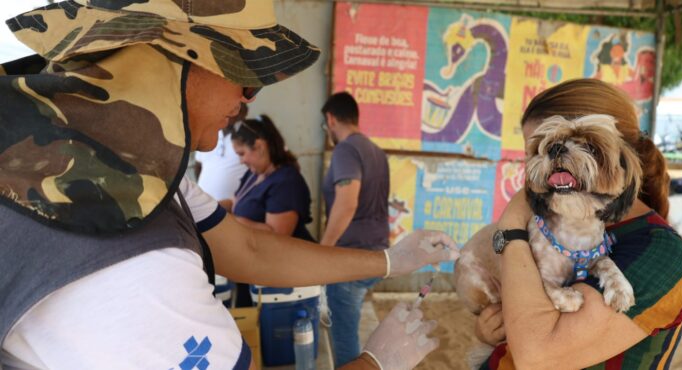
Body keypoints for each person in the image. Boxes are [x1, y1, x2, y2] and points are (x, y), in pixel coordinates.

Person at [0, 1, 459, 369]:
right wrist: (379, 361)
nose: (247, 100)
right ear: (175, 60)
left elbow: (247, 249)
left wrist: (388, 260)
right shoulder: (129, 258)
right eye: (245, 75)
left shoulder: (126, 168)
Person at [474, 79, 682, 369]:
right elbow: (515, 315)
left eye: (586, 147)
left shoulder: (665, 255)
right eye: (539, 151)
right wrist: (486, 331)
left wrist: (511, 226)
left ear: (622, 156)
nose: (551, 162)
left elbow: (535, 356)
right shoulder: (545, 224)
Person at [319, 92, 391, 367]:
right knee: (351, 321)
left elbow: (347, 203)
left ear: (331, 119)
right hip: (375, 253)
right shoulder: (375, 151)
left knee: (344, 337)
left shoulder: (346, 149)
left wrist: (323, 251)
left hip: (350, 258)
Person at [224, 114, 316, 306]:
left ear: (260, 146)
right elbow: (235, 202)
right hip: (254, 272)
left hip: (280, 283)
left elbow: (277, 234)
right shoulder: (253, 174)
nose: (241, 161)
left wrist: (227, 222)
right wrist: (203, 208)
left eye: (242, 153)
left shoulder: (286, 182)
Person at [194, 103, 248, 201]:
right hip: (203, 206)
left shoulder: (249, 135)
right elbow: (198, 165)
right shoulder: (209, 134)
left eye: (236, 109)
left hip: (234, 209)